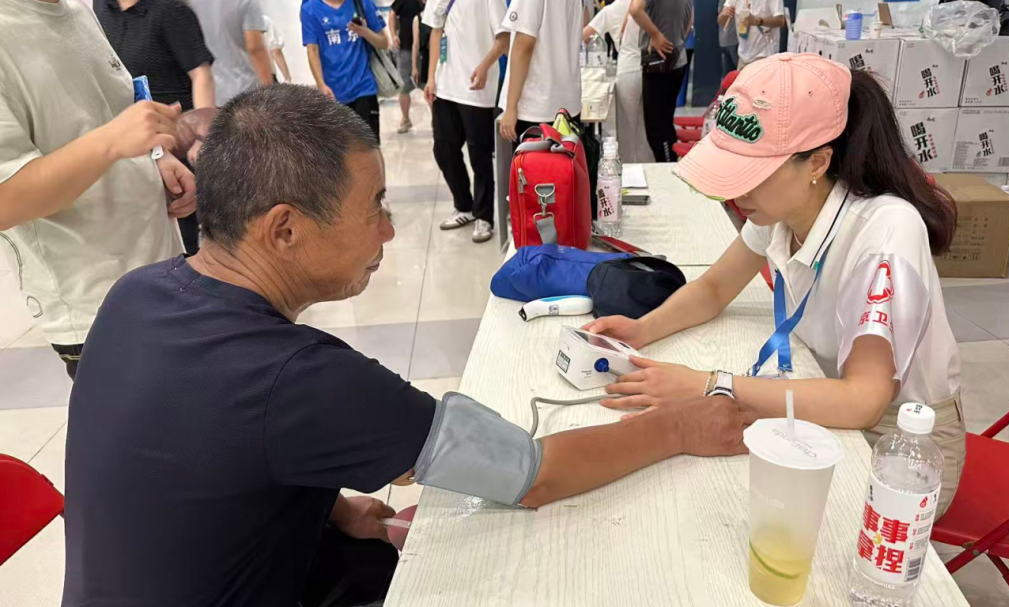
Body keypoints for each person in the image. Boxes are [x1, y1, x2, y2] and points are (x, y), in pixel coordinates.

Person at [61, 84, 756, 607]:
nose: (389, 231)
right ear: (284, 229)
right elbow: (532, 473)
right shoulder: (300, 379)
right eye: (374, 208)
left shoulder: (136, 294)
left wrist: (331, 507)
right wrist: (679, 426)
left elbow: (199, 453)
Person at [584, 54, 966, 518]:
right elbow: (713, 290)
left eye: (752, 175)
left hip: (902, 442)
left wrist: (710, 385)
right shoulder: (782, 208)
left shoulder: (885, 231)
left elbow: (863, 402)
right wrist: (641, 330)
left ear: (817, 162)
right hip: (828, 398)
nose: (736, 193)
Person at [0, 0, 193, 381]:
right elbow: (7, 200)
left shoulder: (77, 10)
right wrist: (111, 142)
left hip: (163, 269)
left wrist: (156, 159)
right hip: (99, 308)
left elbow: (105, 114)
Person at [94, 0, 215, 255]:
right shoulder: (100, 9)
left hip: (178, 136)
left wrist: (202, 137)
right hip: (132, 141)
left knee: (187, 227)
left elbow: (201, 73)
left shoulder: (171, 11)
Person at [423, 0, 507, 243]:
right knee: (443, 149)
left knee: (480, 156)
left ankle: (484, 216)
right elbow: (436, 33)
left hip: (476, 87)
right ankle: (464, 207)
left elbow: (504, 38)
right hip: (444, 86)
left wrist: (485, 66)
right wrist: (431, 78)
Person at [302, 0, 391, 142]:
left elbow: (384, 42)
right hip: (333, 93)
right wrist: (320, 84)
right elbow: (312, 49)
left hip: (364, 86)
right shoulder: (310, 9)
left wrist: (365, 32)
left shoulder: (362, 3)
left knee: (370, 146)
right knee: (343, 149)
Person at [497, 0, 583, 142]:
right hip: (567, 105)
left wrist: (511, 106)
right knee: (566, 155)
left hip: (536, 107)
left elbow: (524, 45)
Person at [582, 0, 650, 163]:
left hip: (627, 69)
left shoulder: (611, 10)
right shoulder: (646, 4)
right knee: (646, 130)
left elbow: (584, 35)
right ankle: (648, 167)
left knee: (627, 129)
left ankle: (628, 169)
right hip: (650, 69)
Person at [629, 0, 693, 162]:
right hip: (676, 60)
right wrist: (677, 41)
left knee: (657, 131)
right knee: (665, 125)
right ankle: (670, 166)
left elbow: (635, 9)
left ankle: (668, 169)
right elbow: (690, 20)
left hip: (659, 64)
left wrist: (656, 35)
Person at [188, 0, 274, 106]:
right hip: (246, 90)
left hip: (208, 94)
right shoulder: (245, 2)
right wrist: (269, 93)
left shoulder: (188, 4)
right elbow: (255, 48)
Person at [389, 0, 424, 133]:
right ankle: (405, 118)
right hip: (405, 49)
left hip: (426, 50)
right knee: (403, 86)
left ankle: (436, 121)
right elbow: (392, 14)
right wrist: (393, 35)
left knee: (429, 86)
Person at [719, 0, 785, 69]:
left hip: (765, 57)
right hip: (743, 56)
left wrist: (758, 21)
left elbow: (780, 21)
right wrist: (724, 15)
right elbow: (721, 22)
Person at [264, 14, 293, 83]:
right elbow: (276, 52)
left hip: (241, 78)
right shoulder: (265, 21)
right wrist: (287, 78)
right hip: (266, 75)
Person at [717, 0, 739, 82]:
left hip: (728, 40)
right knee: (734, 76)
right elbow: (720, 19)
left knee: (728, 76)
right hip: (733, 40)